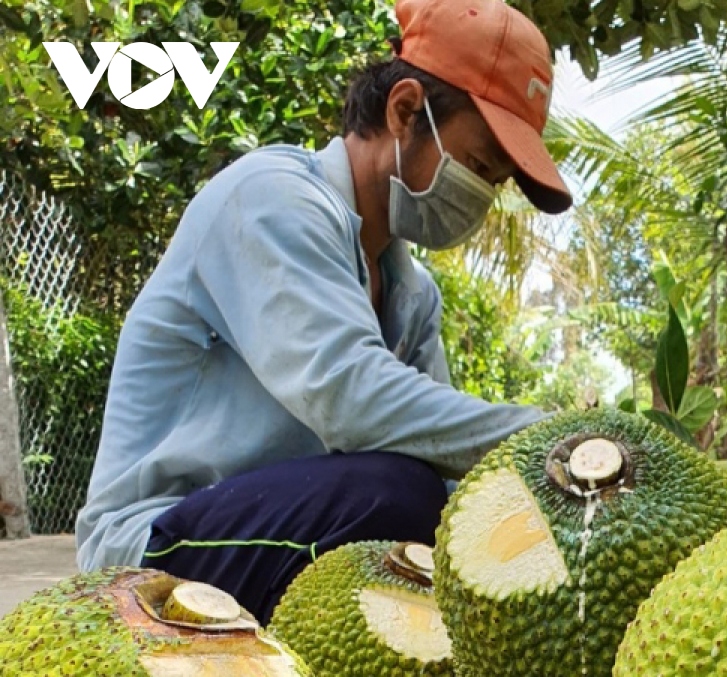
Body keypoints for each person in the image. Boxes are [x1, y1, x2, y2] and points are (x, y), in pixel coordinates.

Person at [74, 0, 573, 624]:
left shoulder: (411, 293)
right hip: (151, 545)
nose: (478, 196)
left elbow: (447, 468)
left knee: (441, 513)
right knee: (394, 496)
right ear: (405, 110)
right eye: (476, 166)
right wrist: (553, 440)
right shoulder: (270, 198)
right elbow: (351, 398)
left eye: (492, 182)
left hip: (275, 529)